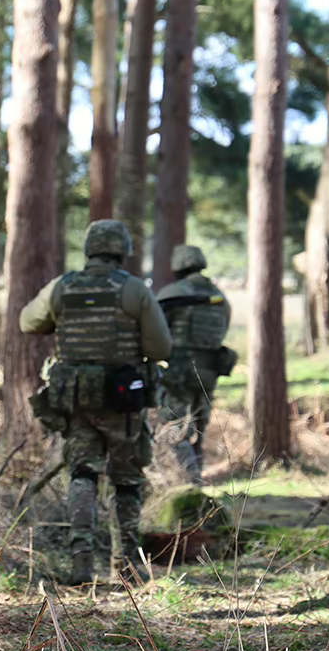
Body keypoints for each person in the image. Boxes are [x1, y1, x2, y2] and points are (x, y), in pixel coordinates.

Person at [21, 220, 172, 585]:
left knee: (82, 474)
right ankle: (127, 567)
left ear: (89, 248)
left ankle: (81, 564)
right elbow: (160, 348)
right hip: (123, 401)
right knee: (126, 481)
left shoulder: (62, 286)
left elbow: (29, 322)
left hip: (76, 402)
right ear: (123, 250)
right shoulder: (133, 289)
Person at [154, 244, 234, 481]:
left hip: (179, 372)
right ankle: (196, 471)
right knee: (199, 427)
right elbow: (223, 328)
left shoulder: (172, 293)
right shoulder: (218, 295)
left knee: (174, 427)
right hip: (209, 370)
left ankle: (191, 480)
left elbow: (156, 329)